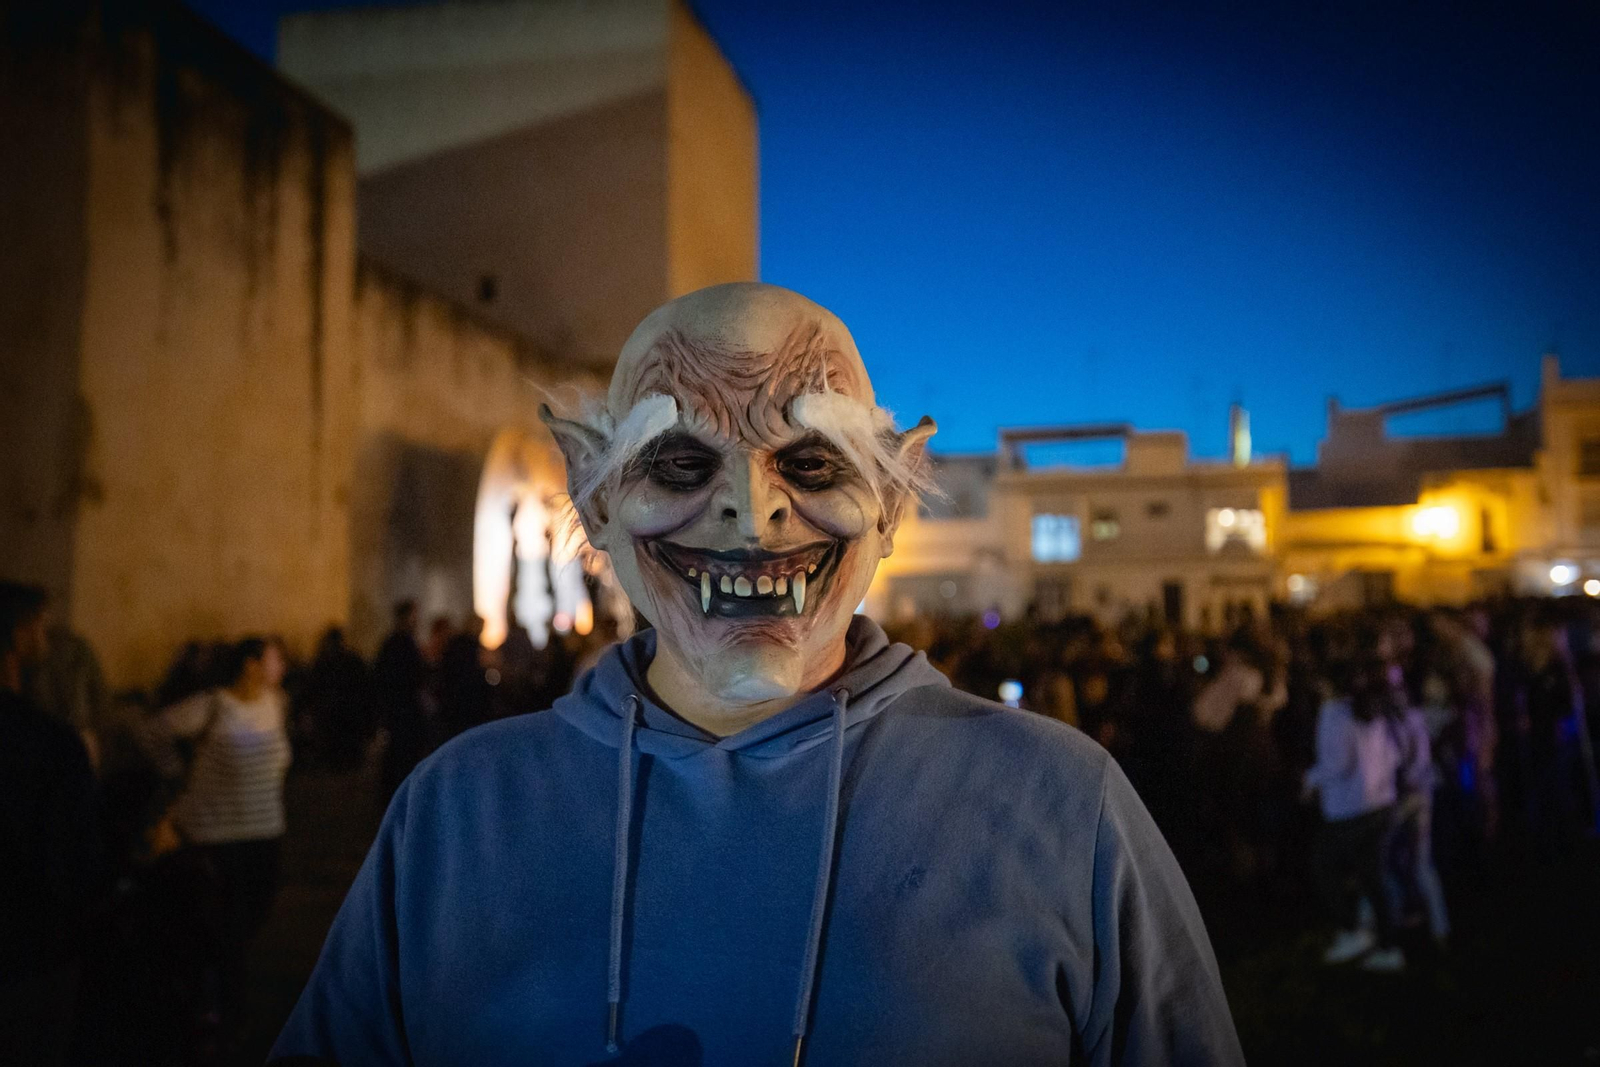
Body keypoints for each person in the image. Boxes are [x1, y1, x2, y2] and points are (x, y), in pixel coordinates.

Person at [273, 283, 1242, 1065]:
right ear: (595, 497)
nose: (748, 508)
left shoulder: (1064, 803)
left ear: (891, 500)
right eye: (680, 461)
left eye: (811, 463)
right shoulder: (452, 811)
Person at [153, 636, 292, 1042]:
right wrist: (175, 772)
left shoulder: (276, 703)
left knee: (253, 913)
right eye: (274, 658)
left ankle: (216, 992)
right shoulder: (213, 705)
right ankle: (223, 1011)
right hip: (215, 834)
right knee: (224, 925)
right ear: (250, 664)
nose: (281, 664)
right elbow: (154, 731)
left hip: (264, 832)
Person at [0, 581, 104, 1065]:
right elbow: (80, 862)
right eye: (38, 625)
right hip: (32, 954)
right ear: (19, 637)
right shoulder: (51, 744)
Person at [1303, 649, 1404, 972]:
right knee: (1374, 875)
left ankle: (1351, 930)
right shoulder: (1377, 708)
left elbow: (1337, 763)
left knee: (1324, 866)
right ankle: (1388, 946)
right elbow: (1396, 754)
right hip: (1382, 805)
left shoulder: (1334, 712)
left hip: (1351, 810)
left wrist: (1309, 780)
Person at [373, 600, 428, 803]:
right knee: (402, 757)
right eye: (414, 615)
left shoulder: (392, 642)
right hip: (403, 710)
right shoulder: (403, 643)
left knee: (397, 755)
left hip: (398, 709)